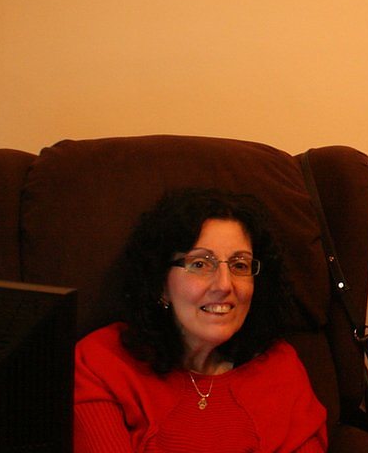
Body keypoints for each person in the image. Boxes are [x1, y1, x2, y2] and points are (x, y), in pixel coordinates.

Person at [74, 188, 328, 452]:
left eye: (240, 265)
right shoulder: (101, 364)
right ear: (161, 282)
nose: (224, 285)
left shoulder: (280, 368)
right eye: (200, 264)